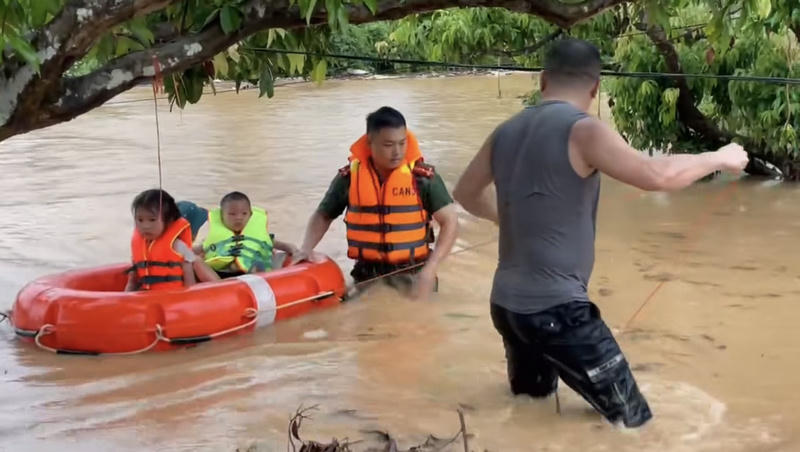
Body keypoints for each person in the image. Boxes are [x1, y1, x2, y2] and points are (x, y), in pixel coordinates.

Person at [452, 38, 749, 428]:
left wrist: (508, 220)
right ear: (595, 87)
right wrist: (720, 157)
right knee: (636, 425)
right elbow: (655, 175)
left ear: (543, 80)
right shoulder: (583, 131)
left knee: (531, 416)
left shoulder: (505, 132)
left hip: (507, 308)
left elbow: (465, 193)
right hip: (558, 313)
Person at [295, 106, 459, 300]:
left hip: (414, 274)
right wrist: (306, 248)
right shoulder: (349, 178)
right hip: (366, 274)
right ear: (370, 142)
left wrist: (431, 269)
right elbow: (323, 215)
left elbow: (451, 222)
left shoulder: (423, 179)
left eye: (402, 143)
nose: (397, 152)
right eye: (388, 145)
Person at [125, 189, 218, 291]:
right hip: (148, 294)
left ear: (168, 221)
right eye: (140, 220)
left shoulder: (177, 245)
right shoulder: (139, 245)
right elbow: (133, 277)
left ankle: (221, 287)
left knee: (196, 260)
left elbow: (188, 271)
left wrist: (190, 296)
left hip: (172, 294)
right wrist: (127, 294)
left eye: (152, 220)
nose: (146, 226)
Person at [193, 191, 300, 278]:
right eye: (232, 214)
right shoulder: (214, 238)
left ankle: (259, 282)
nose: (239, 217)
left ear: (250, 215)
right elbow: (194, 251)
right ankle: (217, 286)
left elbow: (285, 246)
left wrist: (295, 251)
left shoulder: (258, 236)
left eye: (244, 213)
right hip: (219, 274)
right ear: (221, 216)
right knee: (197, 261)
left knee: (265, 263)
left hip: (248, 272)